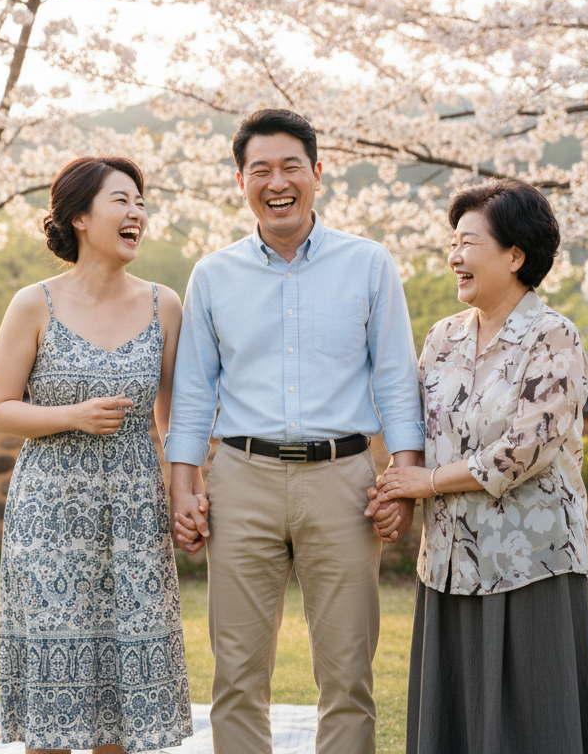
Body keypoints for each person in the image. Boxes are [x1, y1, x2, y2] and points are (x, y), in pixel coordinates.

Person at [166, 108, 424, 754]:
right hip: (240, 480)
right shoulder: (213, 275)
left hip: (344, 481)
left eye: (290, 167)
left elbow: (396, 379)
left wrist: (405, 480)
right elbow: (194, 392)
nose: (276, 182)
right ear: (240, 180)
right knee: (237, 675)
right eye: (261, 170)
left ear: (317, 173)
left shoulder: (368, 265)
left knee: (346, 675)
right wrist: (183, 489)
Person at [372, 178, 588, 754]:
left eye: (468, 242)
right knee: (452, 722)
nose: (454, 256)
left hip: (530, 561)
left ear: (515, 255)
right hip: (447, 562)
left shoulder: (554, 337)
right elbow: (415, 430)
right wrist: (398, 489)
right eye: (452, 243)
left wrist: (424, 483)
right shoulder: (442, 338)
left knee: (533, 724)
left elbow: (523, 451)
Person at [0, 156, 199, 754]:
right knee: (56, 679)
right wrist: (69, 417)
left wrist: (188, 491)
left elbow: (172, 416)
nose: (138, 213)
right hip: (48, 513)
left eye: (140, 203)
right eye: (122, 201)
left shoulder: (165, 305)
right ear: (79, 217)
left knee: (120, 685)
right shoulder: (34, 304)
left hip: (134, 512)